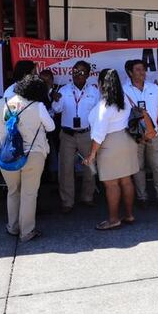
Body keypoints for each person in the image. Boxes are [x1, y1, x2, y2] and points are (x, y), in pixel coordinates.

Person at [0, 75, 55, 242]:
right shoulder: (38, 106)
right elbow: (51, 127)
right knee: (29, 194)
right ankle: (27, 232)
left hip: (7, 155)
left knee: (13, 191)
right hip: (33, 154)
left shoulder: (1, 103)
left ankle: (13, 227)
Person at [84, 68, 155, 230]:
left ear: (101, 84)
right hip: (127, 141)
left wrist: (91, 154)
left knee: (111, 184)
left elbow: (99, 134)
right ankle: (129, 215)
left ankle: (113, 219)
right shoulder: (125, 99)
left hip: (110, 145)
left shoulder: (104, 106)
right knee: (126, 181)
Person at [52, 60, 99, 212]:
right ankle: (67, 201)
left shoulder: (94, 92)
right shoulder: (64, 90)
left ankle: (88, 197)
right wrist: (56, 100)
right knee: (65, 169)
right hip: (68, 135)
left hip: (86, 134)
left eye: (81, 72)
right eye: (75, 71)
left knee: (89, 166)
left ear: (88, 75)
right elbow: (56, 110)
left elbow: (98, 114)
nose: (77, 74)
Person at [124, 59, 158, 210]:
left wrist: (157, 127)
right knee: (138, 167)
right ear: (130, 72)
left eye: (143, 69)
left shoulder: (154, 88)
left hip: (154, 135)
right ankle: (142, 197)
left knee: (157, 166)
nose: (142, 72)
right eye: (138, 69)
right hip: (135, 137)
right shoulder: (123, 90)